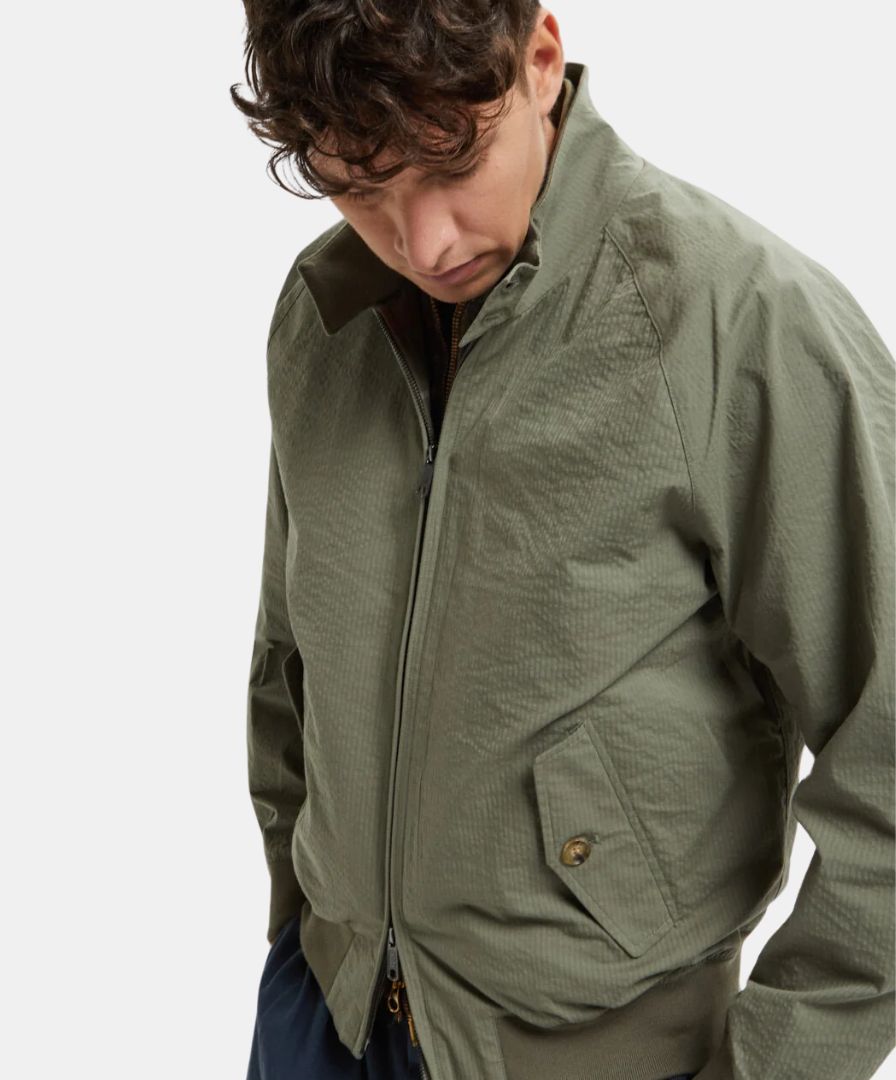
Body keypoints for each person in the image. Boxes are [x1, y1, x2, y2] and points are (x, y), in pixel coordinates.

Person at [230, 4, 896, 1079]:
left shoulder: (737, 320)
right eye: (360, 185)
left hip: (601, 1051)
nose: (424, 242)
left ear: (538, 60)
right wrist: (296, 936)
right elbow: (290, 658)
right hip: (324, 1018)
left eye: (453, 163)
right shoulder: (326, 314)